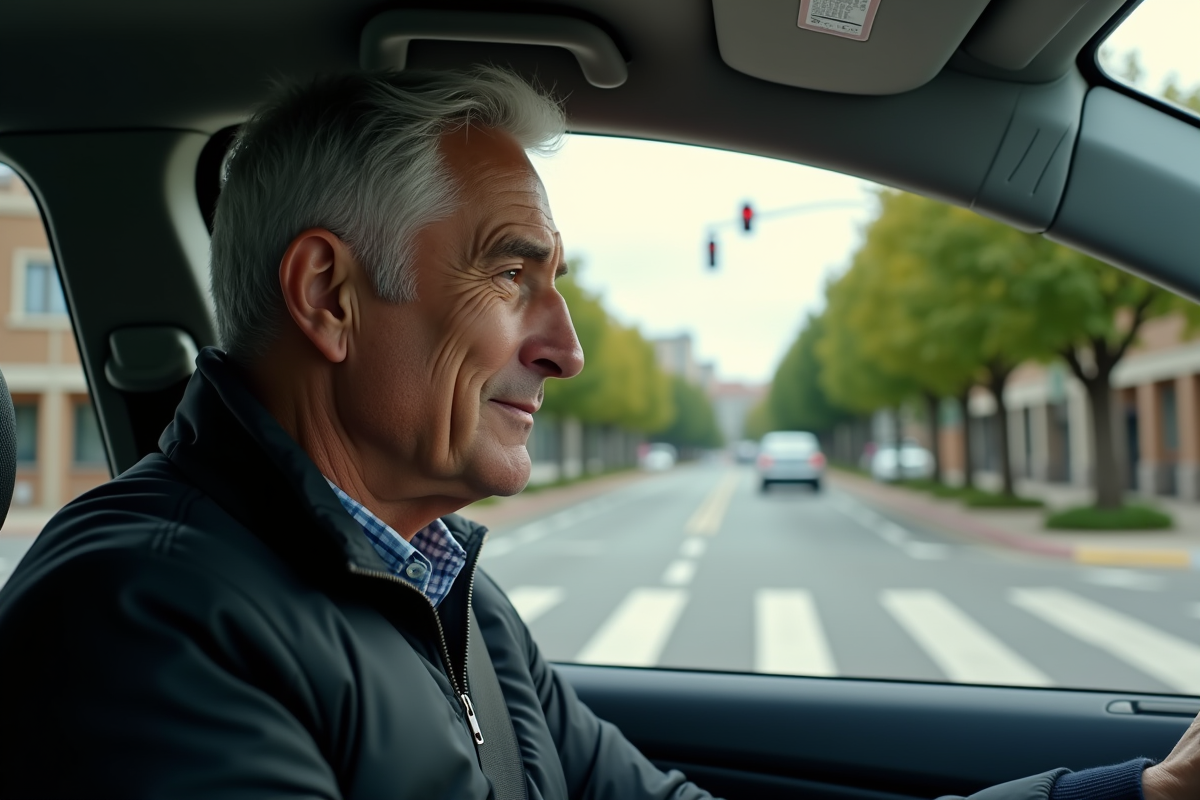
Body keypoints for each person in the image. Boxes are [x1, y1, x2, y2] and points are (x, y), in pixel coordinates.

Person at [0, 68, 1195, 800]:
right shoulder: (140, 620)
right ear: (329, 295)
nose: (567, 347)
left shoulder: (447, 591)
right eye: (513, 275)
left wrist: (1131, 791)